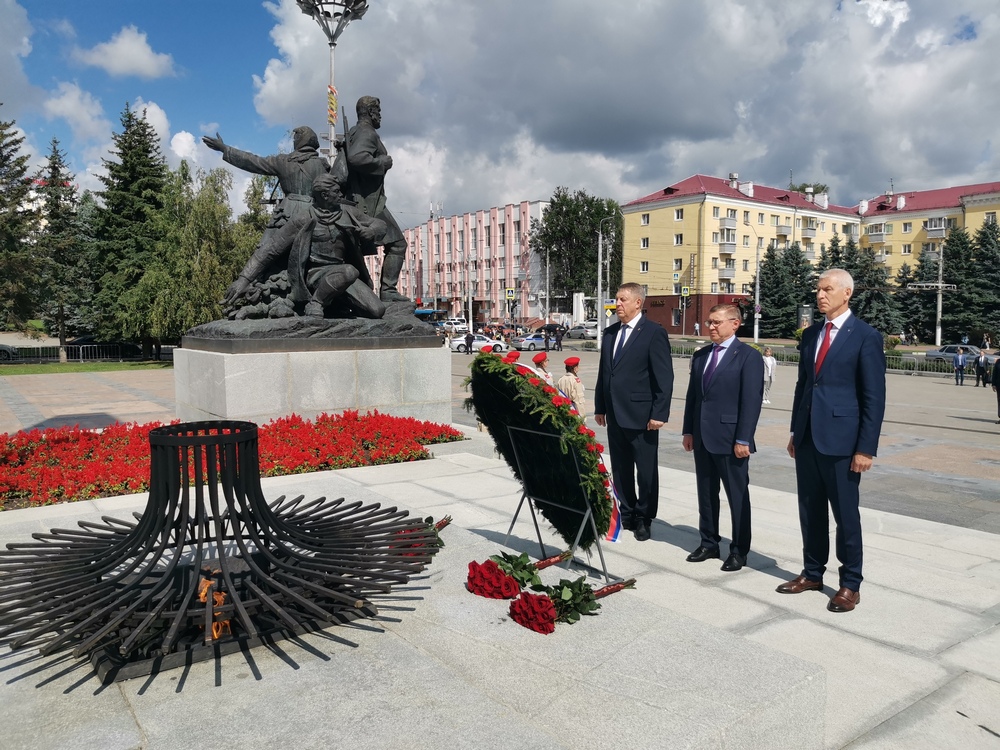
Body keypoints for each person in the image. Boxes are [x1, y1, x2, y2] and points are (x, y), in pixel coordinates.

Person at [780, 269, 886, 613]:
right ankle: (812, 573)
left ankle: (850, 583)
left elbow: (873, 396)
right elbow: (804, 386)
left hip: (843, 443)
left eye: (828, 289)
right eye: (818, 289)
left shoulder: (865, 336)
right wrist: (797, 431)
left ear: (847, 293)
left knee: (845, 515)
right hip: (809, 438)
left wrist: (865, 448)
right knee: (810, 510)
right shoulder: (811, 334)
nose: (820, 295)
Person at [223, 174, 387, 319]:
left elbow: (380, 224)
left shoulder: (349, 212)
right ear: (324, 195)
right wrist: (243, 279)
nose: (340, 194)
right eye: (336, 192)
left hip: (342, 273)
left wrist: (372, 231)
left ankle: (334, 303)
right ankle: (315, 303)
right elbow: (270, 250)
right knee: (349, 271)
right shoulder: (303, 218)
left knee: (377, 310)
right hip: (315, 274)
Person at [682, 304, 764, 571]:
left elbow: (751, 403)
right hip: (703, 437)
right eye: (709, 322)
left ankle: (739, 551)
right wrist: (688, 430)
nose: (712, 327)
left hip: (731, 440)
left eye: (717, 322)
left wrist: (744, 439)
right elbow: (693, 396)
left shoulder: (748, 357)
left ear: (735, 324)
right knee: (706, 493)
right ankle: (708, 542)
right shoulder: (703, 355)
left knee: (737, 496)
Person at [594, 282, 674, 542]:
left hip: (643, 417)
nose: (617, 304)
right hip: (615, 414)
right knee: (621, 468)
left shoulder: (653, 333)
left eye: (622, 300)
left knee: (647, 471)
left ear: (638, 303)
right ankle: (626, 512)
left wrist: (659, 413)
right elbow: (605, 373)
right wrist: (600, 406)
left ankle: (644, 517)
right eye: (616, 299)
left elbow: (664, 376)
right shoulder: (610, 333)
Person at [203, 126, 328, 246]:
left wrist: (225, 149)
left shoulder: (285, 161)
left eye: (295, 138)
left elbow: (254, 161)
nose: (294, 141)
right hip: (316, 215)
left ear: (301, 140)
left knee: (265, 252)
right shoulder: (324, 166)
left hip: (288, 214)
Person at [345, 96, 408, 302]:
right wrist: (381, 162)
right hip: (368, 202)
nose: (380, 115)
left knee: (354, 251)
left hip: (364, 198)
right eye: (378, 110)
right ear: (371, 112)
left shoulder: (356, 132)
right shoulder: (367, 132)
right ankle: (388, 291)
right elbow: (356, 157)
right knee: (398, 243)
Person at [557, 356, 586, 421]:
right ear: (575, 368)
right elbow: (579, 400)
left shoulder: (561, 379)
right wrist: (583, 418)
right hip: (574, 410)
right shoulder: (575, 380)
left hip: (564, 409)